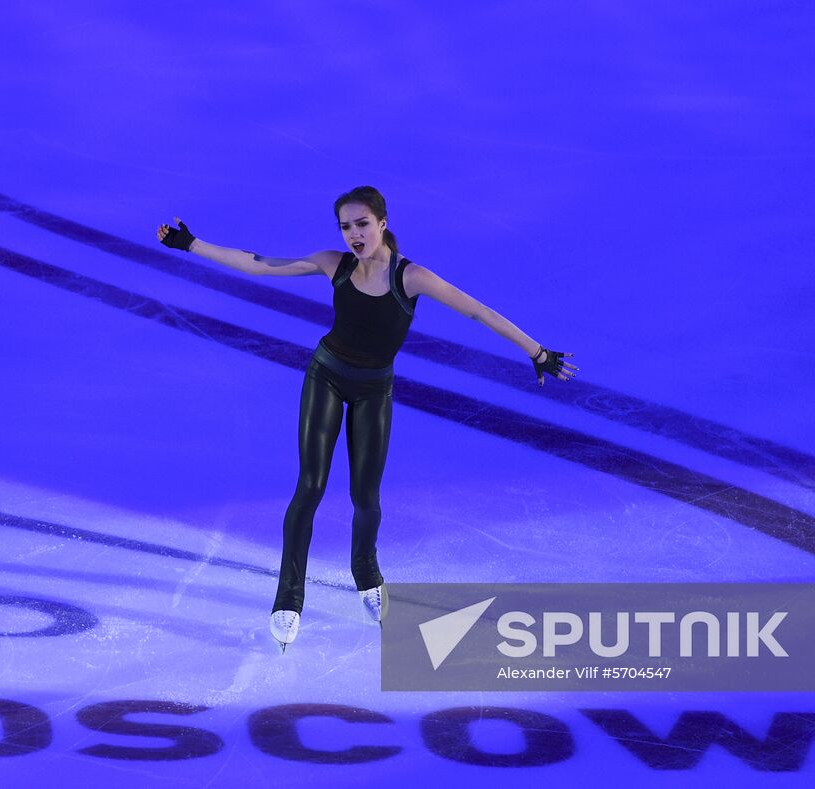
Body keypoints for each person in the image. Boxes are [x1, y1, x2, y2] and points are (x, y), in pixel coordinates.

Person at [157, 186, 576, 652]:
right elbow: (259, 263)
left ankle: (366, 572)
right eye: (345, 226)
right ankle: (288, 598)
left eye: (361, 224)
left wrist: (535, 351)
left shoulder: (410, 277)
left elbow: (476, 311)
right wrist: (192, 244)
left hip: (375, 390)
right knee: (310, 487)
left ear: (382, 222)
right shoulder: (333, 264)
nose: (354, 235)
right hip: (326, 377)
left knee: (365, 496)